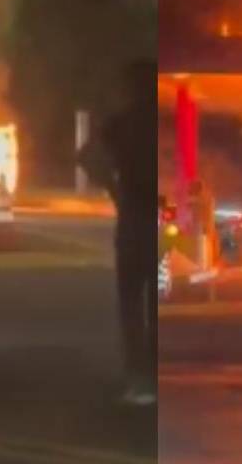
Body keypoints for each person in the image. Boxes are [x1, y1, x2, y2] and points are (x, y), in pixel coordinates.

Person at [77, 57, 157, 406]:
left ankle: (139, 378)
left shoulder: (121, 123)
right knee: (154, 303)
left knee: (131, 303)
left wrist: (113, 189)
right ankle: (152, 375)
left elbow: (86, 155)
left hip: (134, 219)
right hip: (157, 222)